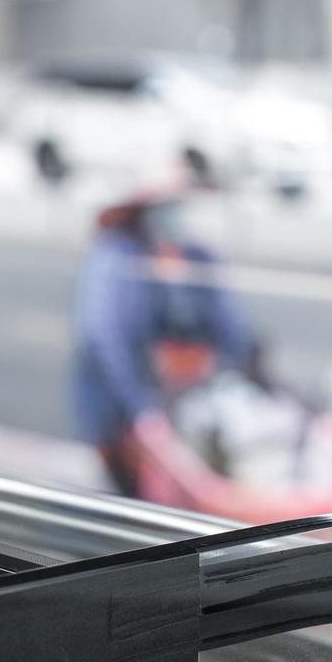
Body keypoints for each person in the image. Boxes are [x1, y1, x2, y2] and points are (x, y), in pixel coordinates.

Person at [71, 189, 253, 495]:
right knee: (138, 495)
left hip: (192, 403)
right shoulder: (116, 257)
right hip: (125, 411)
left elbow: (229, 326)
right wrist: (141, 411)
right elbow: (105, 338)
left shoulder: (195, 255)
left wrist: (241, 373)